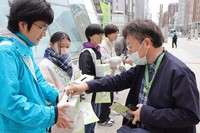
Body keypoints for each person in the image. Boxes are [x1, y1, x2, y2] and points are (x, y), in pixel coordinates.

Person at [67, 19, 200, 133]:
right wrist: (86, 85)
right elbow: (118, 81)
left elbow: (190, 115)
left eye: (130, 46)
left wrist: (146, 114)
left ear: (147, 43)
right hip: (140, 126)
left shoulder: (179, 72)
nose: (129, 52)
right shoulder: (144, 66)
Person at [0, 0, 72, 132]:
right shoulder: (6, 53)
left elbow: (39, 81)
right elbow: (9, 103)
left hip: (34, 126)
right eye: (42, 27)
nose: (44, 33)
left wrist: (59, 96)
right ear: (22, 24)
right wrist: (51, 114)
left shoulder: (24, 48)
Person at [79, 24, 104, 133]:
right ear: (90, 36)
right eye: (98, 34)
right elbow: (85, 74)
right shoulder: (86, 53)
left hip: (97, 89)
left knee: (95, 116)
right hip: (90, 92)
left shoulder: (97, 50)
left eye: (101, 34)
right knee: (89, 120)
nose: (101, 36)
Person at [39, 31, 72, 99]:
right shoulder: (44, 65)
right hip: (59, 103)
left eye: (67, 46)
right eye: (61, 46)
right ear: (51, 44)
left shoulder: (69, 62)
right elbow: (48, 89)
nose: (65, 50)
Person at [98, 24, 119, 126]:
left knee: (110, 98)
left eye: (117, 32)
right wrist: (114, 60)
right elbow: (103, 60)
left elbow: (114, 57)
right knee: (106, 99)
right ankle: (102, 119)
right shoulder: (103, 45)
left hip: (111, 74)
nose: (116, 34)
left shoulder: (111, 43)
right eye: (114, 33)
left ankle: (106, 117)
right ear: (107, 34)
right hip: (106, 75)